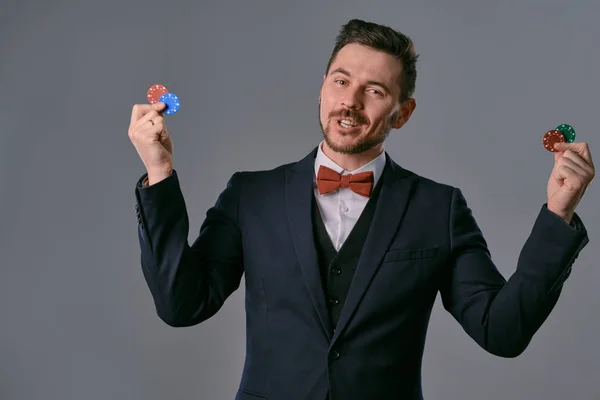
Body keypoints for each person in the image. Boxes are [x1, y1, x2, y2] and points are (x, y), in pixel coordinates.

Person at [128, 19, 594, 400]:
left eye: (374, 91)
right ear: (322, 87)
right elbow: (182, 304)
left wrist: (559, 213)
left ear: (403, 112)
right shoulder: (251, 196)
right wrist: (160, 172)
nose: (349, 103)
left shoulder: (439, 208)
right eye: (341, 81)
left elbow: (502, 331)